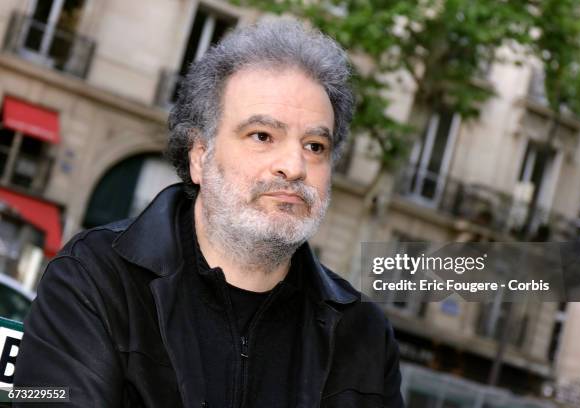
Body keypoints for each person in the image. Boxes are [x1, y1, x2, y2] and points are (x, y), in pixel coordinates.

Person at [14, 19, 405, 408]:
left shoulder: (364, 334)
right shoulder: (93, 277)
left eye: (315, 146)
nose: (295, 165)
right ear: (200, 155)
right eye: (263, 136)